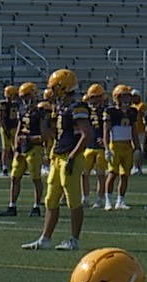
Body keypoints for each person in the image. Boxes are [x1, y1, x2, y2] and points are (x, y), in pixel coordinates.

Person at [22, 68, 90, 250]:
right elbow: (51, 134)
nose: (51, 91)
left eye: (54, 87)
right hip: (58, 156)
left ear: (63, 86)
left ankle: (74, 240)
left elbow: (86, 135)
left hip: (70, 157)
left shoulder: (77, 107)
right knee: (51, 199)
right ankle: (45, 238)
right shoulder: (61, 108)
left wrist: (73, 157)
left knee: (73, 200)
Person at [0, 81, 46, 217]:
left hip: (34, 148)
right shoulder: (22, 109)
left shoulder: (40, 111)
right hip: (22, 148)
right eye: (23, 96)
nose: (25, 99)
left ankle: (36, 206)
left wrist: (30, 139)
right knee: (15, 177)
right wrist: (17, 148)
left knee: (36, 178)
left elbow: (44, 135)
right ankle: (12, 206)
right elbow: (19, 129)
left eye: (27, 95)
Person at [102, 84, 139, 211]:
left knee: (125, 175)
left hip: (127, 145)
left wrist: (137, 147)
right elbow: (106, 131)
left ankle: (120, 201)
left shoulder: (133, 112)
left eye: (128, 97)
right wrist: (107, 148)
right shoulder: (111, 112)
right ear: (116, 98)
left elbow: (134, 130)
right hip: (115, 145)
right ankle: (108, 200)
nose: (126, 100)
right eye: (123, 97)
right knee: (112, 174)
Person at [80, 83, 108, 209]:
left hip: (100, 147)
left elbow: (109, 128)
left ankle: (100, 198)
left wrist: (106, 139)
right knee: (83, 174)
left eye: (96, 97)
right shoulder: (85, 111)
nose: (94, 100)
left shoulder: (105, 111)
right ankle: (85, 198)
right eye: (92, 97)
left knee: (100, 174)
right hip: (88, 146)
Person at [0, 84, 16, 175]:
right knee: (6, 149)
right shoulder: (3, 104)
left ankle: (16, 166)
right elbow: (0, 119)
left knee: (16, 149)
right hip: (7, 128)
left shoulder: (15, 104)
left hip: (14, 127)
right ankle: (5, 167)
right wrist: (6, 129)